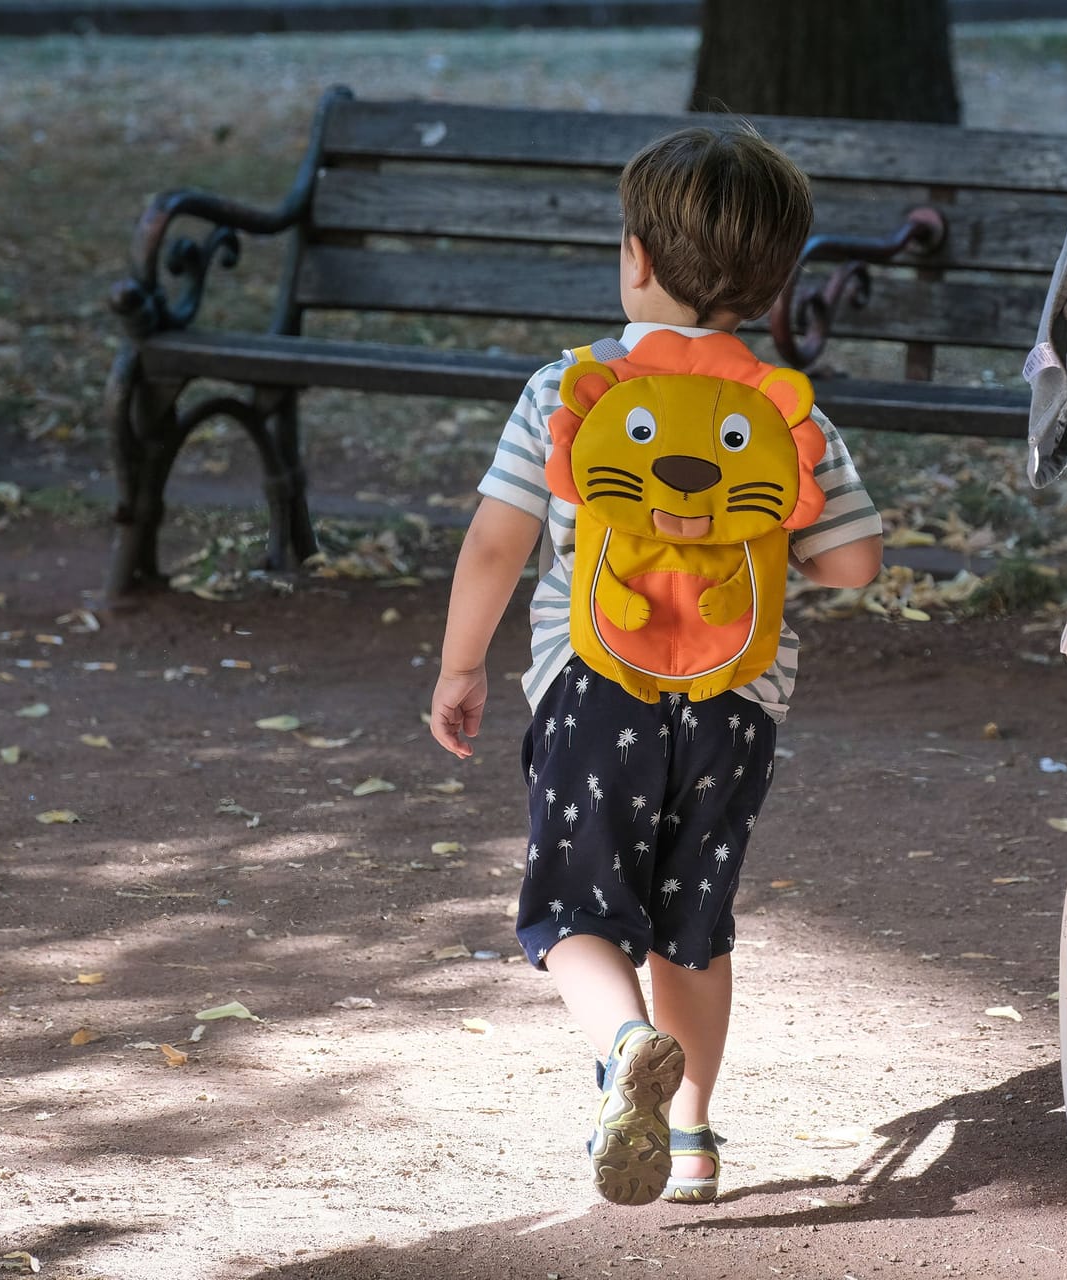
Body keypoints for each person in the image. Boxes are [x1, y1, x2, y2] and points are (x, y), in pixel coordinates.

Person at [430, 125, 883, 1208]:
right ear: (777, 283)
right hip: (734, 703)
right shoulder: (786, 409)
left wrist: (460, 666)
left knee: (573, 910)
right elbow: (857, 562)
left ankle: (625, 1038)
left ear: (636, 256)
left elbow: (498, 541)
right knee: (692, 919)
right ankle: (690, 1144)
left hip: (594, 690)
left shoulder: (570, 387)